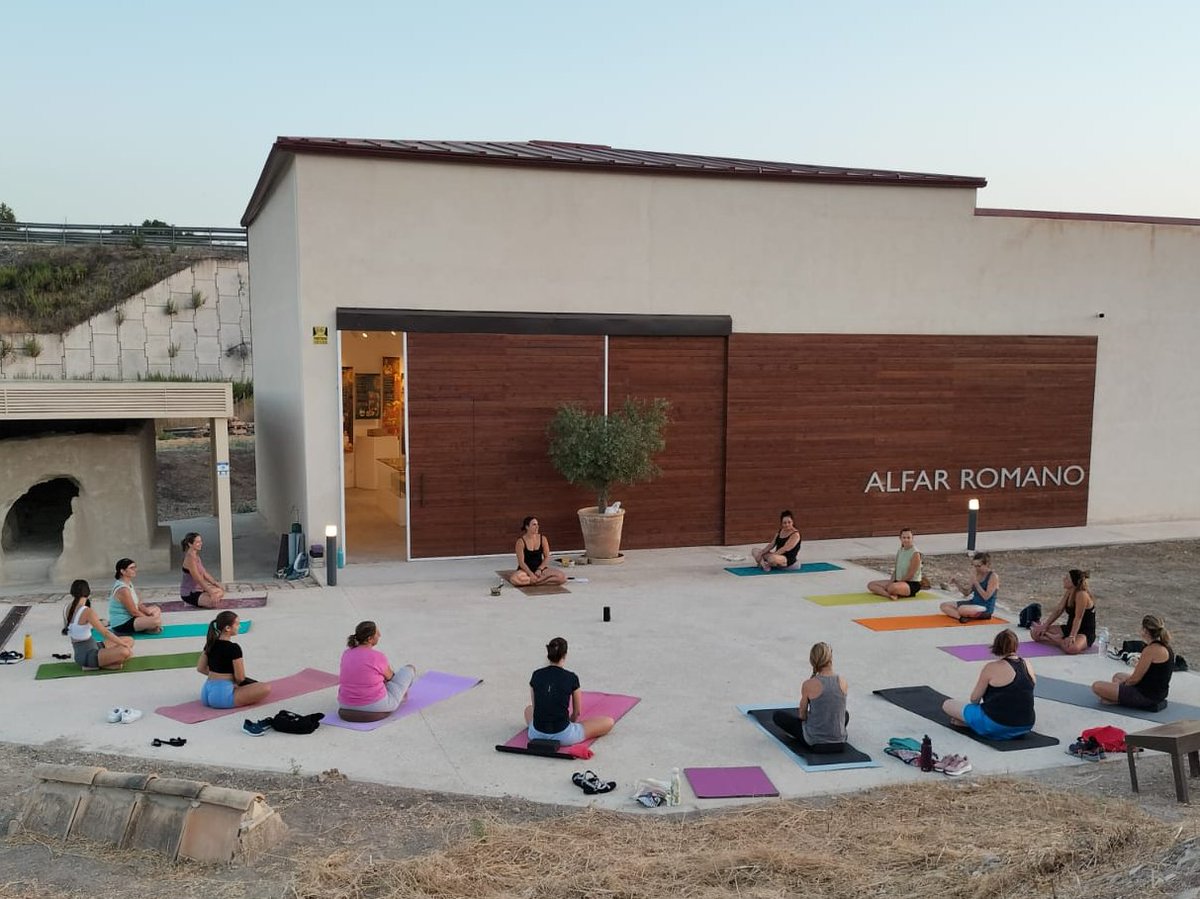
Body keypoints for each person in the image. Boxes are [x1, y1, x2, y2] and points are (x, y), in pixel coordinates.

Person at [943, 629, 1036, 740]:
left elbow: (974, 699)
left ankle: (973, 725)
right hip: (1026, 724)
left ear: (997, 646)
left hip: (996, 724)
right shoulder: (1027, 665)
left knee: (947, 704)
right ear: (1016, 646)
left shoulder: (991, 667)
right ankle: (974, 724)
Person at [524, 637, 613, 746]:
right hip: (564, 735)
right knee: (608, 722)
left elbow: (535, 707)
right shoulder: (571, 678)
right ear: (565, 655)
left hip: (536, 734)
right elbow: (577, 712)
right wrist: (571, 722)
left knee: (528, 710)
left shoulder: (536, 675)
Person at [772, 641, 848, 752]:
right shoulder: (843, 681)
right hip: (840, 742)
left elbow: (802, 716)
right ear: (831, 658)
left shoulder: (808, 684)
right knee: (845, 715)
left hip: (815, 742)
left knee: (778, 716)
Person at [1092, 615, 1174, 709]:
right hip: (1157, 692)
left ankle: (1117, 700)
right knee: (1118, 676)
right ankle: (1115, 697)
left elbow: (1135, 679)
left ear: (1145, 631)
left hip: (1147, 696)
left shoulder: (1150, 650)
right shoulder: (1165, 647)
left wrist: (1123, 686)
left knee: (1097, 686)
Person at [338, 620, 417, 716]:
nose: (379, 635)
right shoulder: (377, 656)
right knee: (409, 669)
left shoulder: (347, 653)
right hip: (375, 705)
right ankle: (402, 696)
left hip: (345, 704)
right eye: (377, 633)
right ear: (370, 639)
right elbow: (391, 677)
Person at [197, 611, 271, 708]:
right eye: (237, 624)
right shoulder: (234, 648)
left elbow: (200, 668)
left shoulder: (210, 644)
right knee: (265, 688)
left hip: (205, 693)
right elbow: (240, 678)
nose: (239, 627)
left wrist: (221, 677)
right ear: (228, 628)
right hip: (221, 696)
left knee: (251, 685)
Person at [63, 579, 134, 671]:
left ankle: (107, 662)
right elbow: (105, 632)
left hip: (92, 646)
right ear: (88, 593)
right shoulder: (87, 611)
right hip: (88, 656)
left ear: (72, 593)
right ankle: (97, 665)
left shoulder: (67, 608)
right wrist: (123, 645)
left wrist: (123, 643)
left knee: (129, 640)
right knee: (125, 651)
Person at [1030, 569, 1096, 654]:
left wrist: (1072, 636)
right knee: (1035, 633)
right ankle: (1059, 640)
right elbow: (1059, 610)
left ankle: (1058, 640)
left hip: (1083, 632)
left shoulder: (1081, 594)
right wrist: (1045, 626)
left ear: (1073, 582)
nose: (1064, 579)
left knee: (1071, 648)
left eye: (1067, 578)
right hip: (1069, 628)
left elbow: (1078, 618)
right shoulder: (1070, 592)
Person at [107, 558, 163, 635]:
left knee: (156, 609)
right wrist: (149, 619)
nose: (135, 570)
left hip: (132, 618)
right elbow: (133, 612)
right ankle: (148, 627)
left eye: (135, 567)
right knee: (156, 621)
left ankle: (148, 627)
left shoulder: (128, 583)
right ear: (122, 571)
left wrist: (148, 613)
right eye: (131, 568)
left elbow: (139, 604)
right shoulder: (123, 589)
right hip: (122, 623)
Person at [939, 552, 999, 621]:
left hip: (985, 608)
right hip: (973, 603)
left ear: (987, 565)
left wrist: (976, 582)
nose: (976, 568)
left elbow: (986, 597)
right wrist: (956, 583)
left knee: (962, 609)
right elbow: (966, 593)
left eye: (978, 566)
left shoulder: (993, 576)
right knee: (944, 605)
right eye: (974, 566)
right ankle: (961, 618)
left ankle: (964, 614)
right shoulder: (976, 574)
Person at [509, 516, 567, 587]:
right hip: (525, 570)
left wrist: (539, 569)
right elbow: (521, 562)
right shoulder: (520, 541)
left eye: (537, 524)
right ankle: (537, 580)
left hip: (540, 569)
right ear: (527, 527)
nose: (537, 527)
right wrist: (530, 574)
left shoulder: (543, 538)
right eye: (534, 525)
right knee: (514, 579)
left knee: (562, 577)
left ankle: (535, 581)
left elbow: (547, 557)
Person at [867, 528, 924, 599]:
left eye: (908, 538)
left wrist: (894, 584)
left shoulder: (915, 553)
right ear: (900, 538)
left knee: (892, 588)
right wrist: (891, 582)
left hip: (911, 583)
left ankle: (890, 591)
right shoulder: (900, 551)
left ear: (912, 538)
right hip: (898, 581)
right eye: (904, 537)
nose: (906, 540)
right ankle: (889, 595)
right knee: (871, 585)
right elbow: (896, 570)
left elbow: (910, 575)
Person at [180, 532, 225, 608]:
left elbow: (204, 573)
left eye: (200, 541)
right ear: (190, 544)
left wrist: (215, 583)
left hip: (199, 590)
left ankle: (203, 599)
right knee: (213, 603)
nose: (200, 543)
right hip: (190, 593)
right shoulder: (189, 558)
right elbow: (198, 579)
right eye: (197, 542)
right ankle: (190, 602)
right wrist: (210, 592)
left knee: (220, 591)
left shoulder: (196, 555)